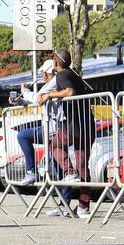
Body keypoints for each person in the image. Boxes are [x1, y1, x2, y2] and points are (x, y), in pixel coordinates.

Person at [39, 49, 96, 219]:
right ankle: (83, 207)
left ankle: (69, 173)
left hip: (73, 125)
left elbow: (69, 92)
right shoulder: (73, 74)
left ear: (55, 63)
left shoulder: (62, 75)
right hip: (86, 125)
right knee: (83, 166)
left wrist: (49, 95)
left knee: (54, 144)